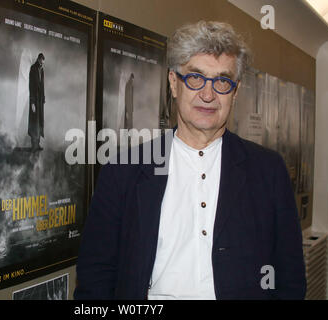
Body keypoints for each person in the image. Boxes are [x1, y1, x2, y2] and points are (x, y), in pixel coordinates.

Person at [74, 21, 306, 300]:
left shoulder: (268, 171)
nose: (208, 95)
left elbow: (289, 278)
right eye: (195, 78)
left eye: (222, 81)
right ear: (174, 83)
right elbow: (95, 275)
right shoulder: (125, 169)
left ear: (235, 91)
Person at [29, 53, 45, 151]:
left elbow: (43, 85)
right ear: (38, 59)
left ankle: (38, 144)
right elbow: (31, 86)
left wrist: (43, 98)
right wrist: (32, 102)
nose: (42, 63)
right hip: (34, 99)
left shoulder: (42, 70)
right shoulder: (33, 69)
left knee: (39, 121)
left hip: (40, 100)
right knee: (34, 121)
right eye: (41, 61)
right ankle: (33, 145)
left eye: (43, 61)